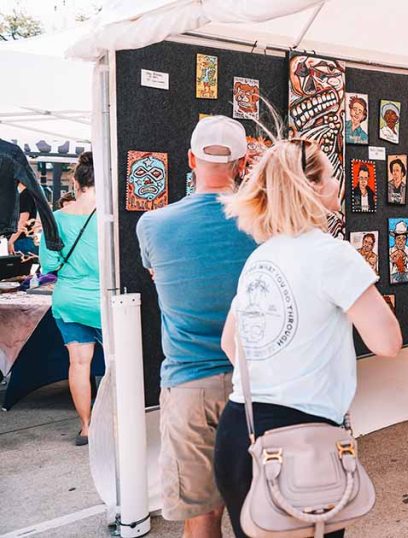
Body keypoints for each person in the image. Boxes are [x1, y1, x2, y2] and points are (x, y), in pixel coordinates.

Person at [215, 137, 402, 538]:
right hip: (301, 441)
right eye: (333, 176)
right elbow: (387, 343)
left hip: (239, 432)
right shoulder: (332, 254)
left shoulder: (260, 256)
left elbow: (231, 344)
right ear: (313, 187)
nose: (338, 184)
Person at [136, 116, 258, 537]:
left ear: (190, 159)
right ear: (243, 163)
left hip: (190, 385)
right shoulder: (265, 225)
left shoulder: (153, 225)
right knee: (261, 511)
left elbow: (156, 274)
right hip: (258, 384)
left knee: (201, 519)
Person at [38, 152, 99, 446]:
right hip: (106, 302)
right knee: (119, 364)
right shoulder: (111, 216)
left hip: (69, 299)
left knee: (78, 363)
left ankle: (86, 427)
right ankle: (120, 422)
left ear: (76, 182)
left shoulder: (57, 218)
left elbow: (48, 266)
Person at [8, 182, 39, 256]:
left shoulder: (26, 195)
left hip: (21, 241)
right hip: (21, 240)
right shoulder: (25, 194)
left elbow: (23, 221)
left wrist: (11, 241)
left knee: (19, 267)